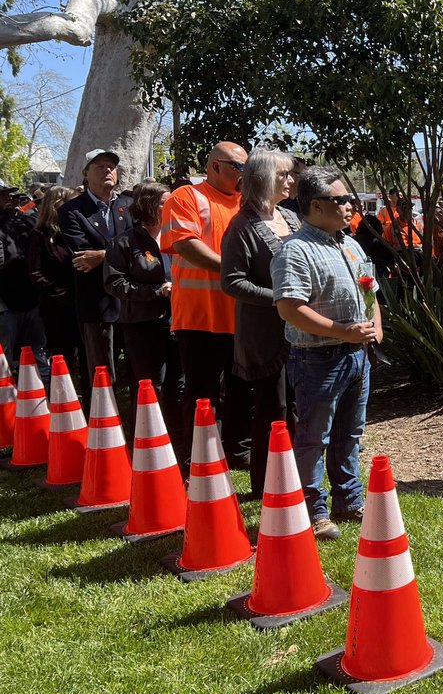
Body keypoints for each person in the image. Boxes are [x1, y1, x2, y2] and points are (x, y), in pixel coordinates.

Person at [271, 167, 381, 541]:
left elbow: (371, 291)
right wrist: (341, 331)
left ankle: (348, 501)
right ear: (316, 205)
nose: (350, 205)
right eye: (342, 200)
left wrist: (374, 325)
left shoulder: (350, 244)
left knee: (350, 433)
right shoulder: (296, 250)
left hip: (356, 357)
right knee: (314, 437)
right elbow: (289, 308)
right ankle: (311, 509)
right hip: (318, 359)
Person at [160, 141, 252, 467]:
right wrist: (234, 271)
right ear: (215, 167)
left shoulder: (248, 203)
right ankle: (199, 456)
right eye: (239, 167)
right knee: (201, 393)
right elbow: (186, 246)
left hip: (241, 315)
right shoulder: (185, 197)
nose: (245, 174)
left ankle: (238, 453)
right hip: (199, 318)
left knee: (242, 389)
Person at [220, 149, 300, 499]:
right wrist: (280, 299)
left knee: (297, 408)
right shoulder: (241, 226)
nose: (291, 180)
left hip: (300, 332)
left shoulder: (293, 219)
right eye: (284, 174)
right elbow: (232, 281)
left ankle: (294, 479)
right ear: (264, 178)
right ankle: (266, 485)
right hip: (266, 335)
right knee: (273, 409)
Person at [102, 181, 183, 445]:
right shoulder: (124, 242)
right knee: (150, 385)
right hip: (142, 324)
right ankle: (145, 443)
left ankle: (178, 441)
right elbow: (114, 283)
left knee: (178, 386)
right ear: (148, 205)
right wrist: (156, 291)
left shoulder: (178, 237)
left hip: (177, 322)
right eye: (164, 202)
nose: (171, 207)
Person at [58, 149, 134, 386]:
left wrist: (103, 254)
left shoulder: (129, 206)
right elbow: (82, 256)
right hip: (97, 303)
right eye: (99, 166)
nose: (107, 170)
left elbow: (140, 246)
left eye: (111, 166)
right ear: (85, 174)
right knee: (102, 374)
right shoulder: (72, 211)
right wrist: (123, 252)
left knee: (138, 374)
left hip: (133, 302)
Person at [28, 185, 86, 387]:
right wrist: (59, 293)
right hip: (56, 306)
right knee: (62, 356)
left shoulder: (73, 232)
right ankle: (60, 399)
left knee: (87, 356)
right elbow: (36, 273)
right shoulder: (40, 235)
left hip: (81, 303)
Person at [0, 181, 49, 380]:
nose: (9, 199)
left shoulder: (27, 222)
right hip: (4, 305)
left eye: (9, 195)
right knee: (4, 358)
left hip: (32, 299)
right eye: (2, 195)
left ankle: (44, 397)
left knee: (37, 353)